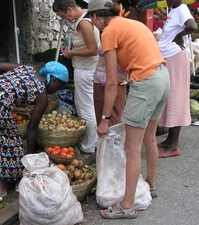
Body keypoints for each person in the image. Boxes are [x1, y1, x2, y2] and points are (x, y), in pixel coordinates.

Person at [87, 0, 170, 219]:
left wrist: (105, 119)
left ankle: (127, 205)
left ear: (96, 17)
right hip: (162, 77)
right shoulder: (131, 23)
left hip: (146, 83)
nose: (93, 24)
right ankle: (150, 186)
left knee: (130, 148)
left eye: (91, 20)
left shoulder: (108, 32)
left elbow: (112, 83)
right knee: (149, 139)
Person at [0, 61, 68, 197]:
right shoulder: (42, 95)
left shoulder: (29, 69)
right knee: (11, 143)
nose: (57, 91)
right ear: (54, 80)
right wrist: (30, 157)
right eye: (59, 87)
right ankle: (9, 183)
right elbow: (32, 128)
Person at [53, 0, 100, 154]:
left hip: (86, 70)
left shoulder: (84, 23)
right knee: (87, 105)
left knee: (86, 107)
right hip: (86, 68)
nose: (65, 19)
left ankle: (89, 145)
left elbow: (93, 50)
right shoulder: (84, 17)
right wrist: (72, 49)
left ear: (69, 9)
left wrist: (71, 53)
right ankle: (92, 141)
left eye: (63, 16)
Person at [157, 0, 198, 158]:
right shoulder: (174, 10)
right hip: (170, 55)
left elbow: (192, 26)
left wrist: (178, 37)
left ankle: (173, 146)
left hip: (176, 56)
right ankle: (169, 140)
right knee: (169, 97)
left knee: (176, 99)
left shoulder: (181, 9)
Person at [93, 43, 128, 126]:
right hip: (116, 82)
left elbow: (111, 83)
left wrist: (105, 119)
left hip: (108, 84)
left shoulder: (111, 34)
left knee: (109, 125)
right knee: (114, 121)